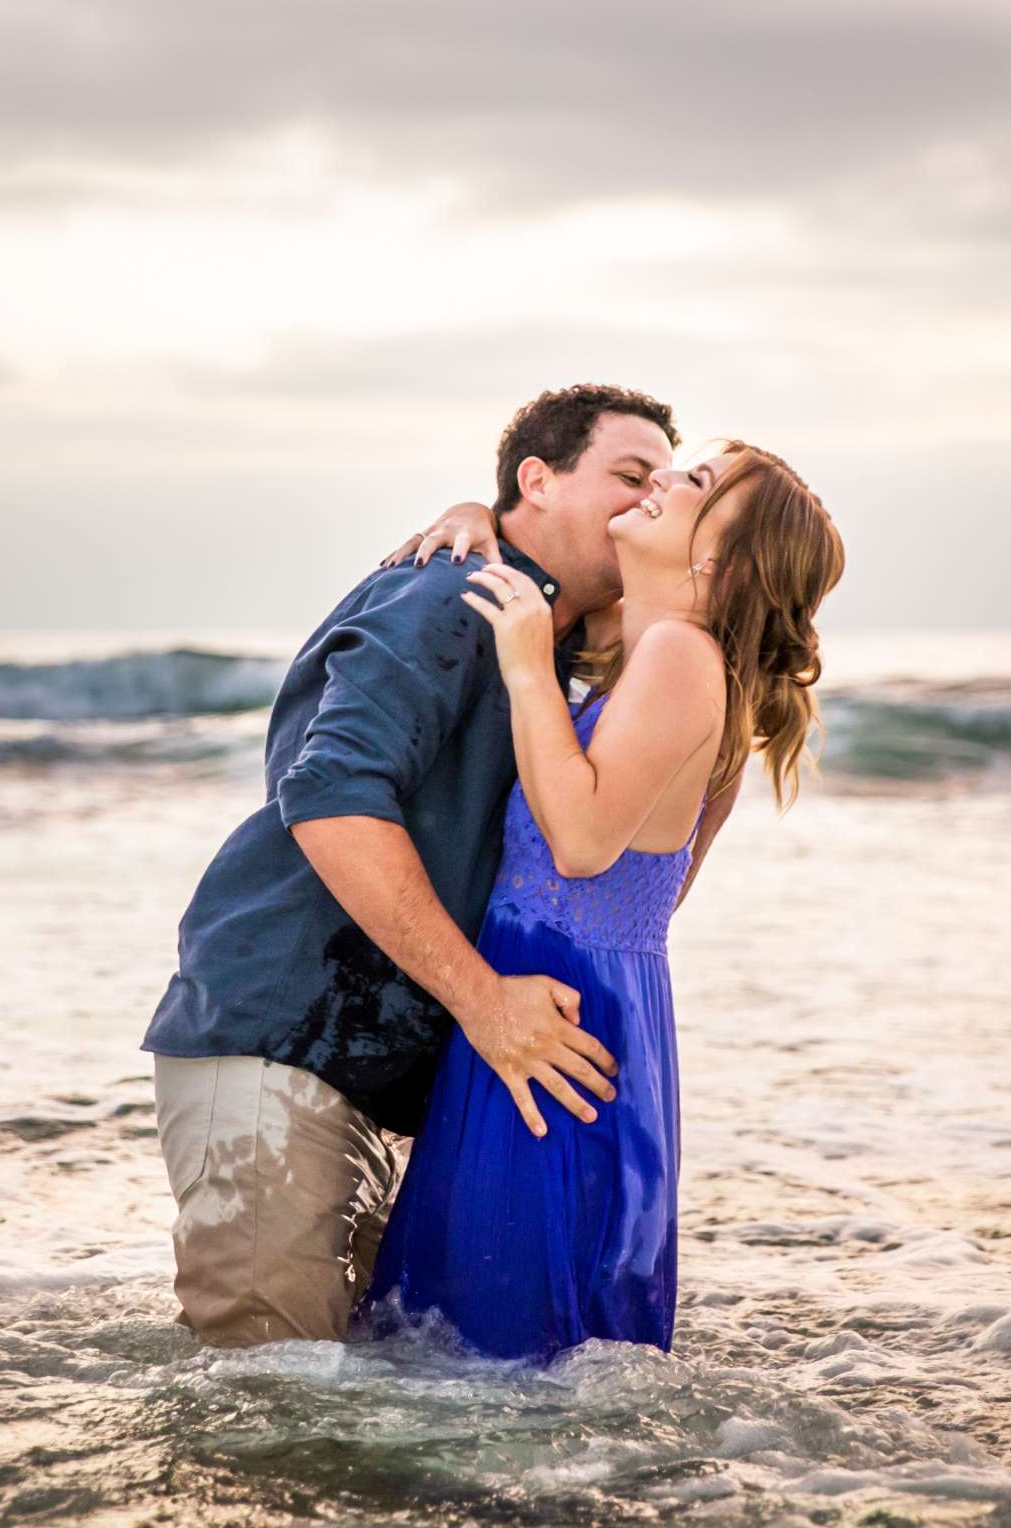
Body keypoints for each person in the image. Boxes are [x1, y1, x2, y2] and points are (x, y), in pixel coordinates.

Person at [140, 383, 690, 1347]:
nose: (647, 501)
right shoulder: (449, 595)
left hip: (379, 1065)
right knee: (271, 1394)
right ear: (538, 480)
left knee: (350, 1389)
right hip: (284, 1033)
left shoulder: (562, 651)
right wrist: (485, 1002)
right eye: (628, 477)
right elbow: (329, 796)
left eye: (662, 489)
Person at [358, 442, 846, 1361]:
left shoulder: (677, 655)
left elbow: (582, 844)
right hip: (587, 994)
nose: (663, 480)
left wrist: (526, 665)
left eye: (693, 484)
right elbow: (656, 889)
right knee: (513, 1335)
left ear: (720, 564)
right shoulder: (661, 648)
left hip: (555, 1003)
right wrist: (473, 513)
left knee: (494, 1330)